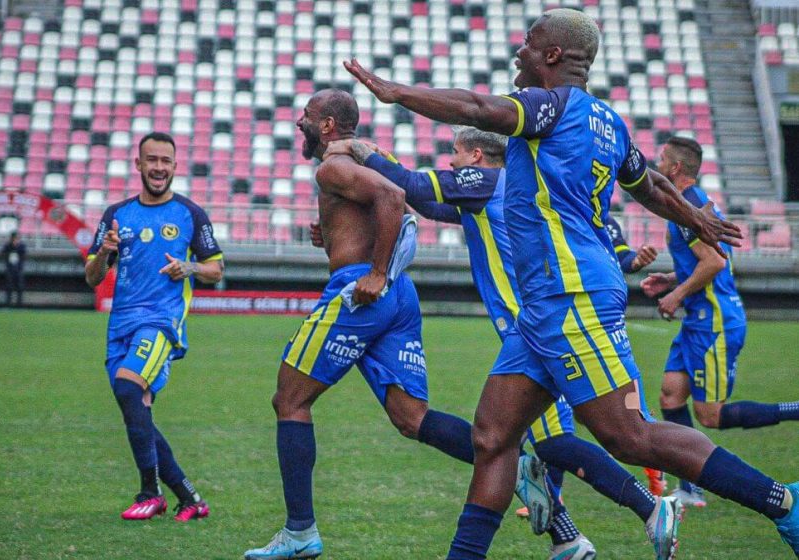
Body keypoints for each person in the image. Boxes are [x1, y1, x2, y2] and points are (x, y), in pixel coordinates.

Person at [346, 8, 799, 560]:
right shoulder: (606, 120)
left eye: (528, 43)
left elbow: (476, 108)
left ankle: (783, 503)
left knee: (629, 436)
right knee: (493, 439)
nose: (519, 51)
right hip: (545, 305)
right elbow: (648, 183)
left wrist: (395, 92)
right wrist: (691, 217)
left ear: (553, 56)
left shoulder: (548, 106)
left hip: (572, 295)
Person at [327, 128, 671, 560]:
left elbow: (415, 186)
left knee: (546, 443)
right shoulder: (493, 194)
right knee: (530, 443)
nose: (450, 162)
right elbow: (425, 201)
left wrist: (364, 150)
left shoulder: (493, 185)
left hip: (539, 330)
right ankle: (570, 537)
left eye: (454, 153)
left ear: (475, 155)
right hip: (533, 330)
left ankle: (648, 507)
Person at [243, 90, 550, 560]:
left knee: (289, 399)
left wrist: (374, 271)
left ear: (326, 125)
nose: (300, 124)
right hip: (397, 296)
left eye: (306, 117)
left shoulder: (332, 166)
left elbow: (393, 196)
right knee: (411, 417)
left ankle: (300, 531)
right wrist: (335, 235)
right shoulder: (358, 162)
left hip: (362, 293)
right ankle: (518, 462)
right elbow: (392, 207)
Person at [642, 136, 799, 508]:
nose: (657, 163)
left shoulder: (687, 206)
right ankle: (690, 489)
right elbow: (705, 260)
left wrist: (676, 294)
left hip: (714, 322)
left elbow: (714, 262)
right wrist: (673, 279)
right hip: (699, 319)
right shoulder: (694, 204)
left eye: (662, 159)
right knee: (670, 395)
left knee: (709, 416)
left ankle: (795, 410)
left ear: (675, 168)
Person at [85, 132, 223, 522]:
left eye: (166, 160)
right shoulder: (117, 215)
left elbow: (216, 268)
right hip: (120, 326)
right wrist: (106, 254)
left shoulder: (190, 214)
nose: (159, 167)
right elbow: (93, 277)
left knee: (129, 388)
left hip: (161, 323)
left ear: (175, 166)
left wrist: (190, 267)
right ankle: (190, 498)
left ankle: (150, 492)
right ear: (139, 166)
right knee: (137, 409)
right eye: (152, 160)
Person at [2, 232, 26, 307]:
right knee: (9, 286)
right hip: (10, 268)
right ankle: (8, 303)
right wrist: (12, 245)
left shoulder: (21, 245)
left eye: (17, 238)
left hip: (18, 268)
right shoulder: (8, 245)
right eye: (15, 238)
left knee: (20, 286)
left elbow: (23, 253)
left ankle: (19, 304)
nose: (16, 239)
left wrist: (17, 246)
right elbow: (3, 252)